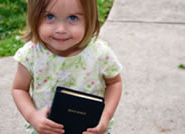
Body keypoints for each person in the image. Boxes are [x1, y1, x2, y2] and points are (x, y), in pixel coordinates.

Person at [12, 0, 122, 134]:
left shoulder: (99, 53)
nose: (61, 29)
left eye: (73, 18)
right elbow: (19, 89)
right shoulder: (31, 54)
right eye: (50, 16)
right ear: (34, 16)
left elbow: (114, 83)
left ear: (89, 19)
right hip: (46, 129)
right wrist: (32, 116)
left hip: (89, 129)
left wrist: (105, 116)